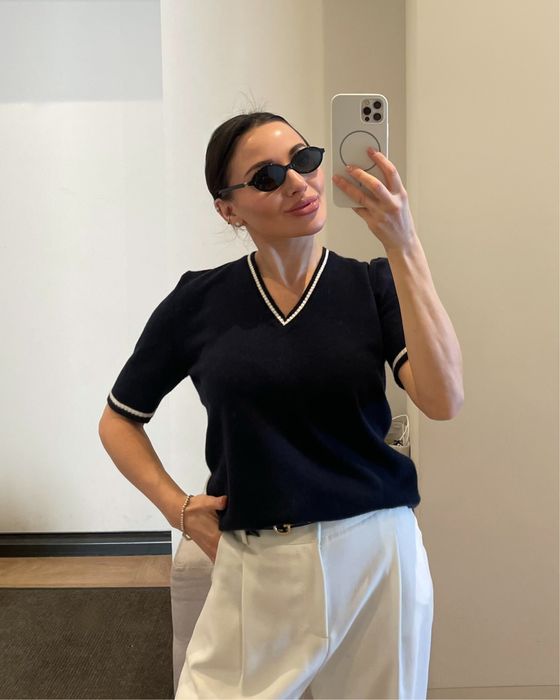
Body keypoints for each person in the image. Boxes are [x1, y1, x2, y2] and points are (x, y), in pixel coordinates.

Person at [98, 110, 464, 699]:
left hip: (375, 555)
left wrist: (405, 245)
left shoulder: (373, 284)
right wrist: (178, 507)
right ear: (228, 209)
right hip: (257, 561)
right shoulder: (197, 302)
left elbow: (443, 399)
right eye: (267, 177)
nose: (297, 181)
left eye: (304, 160)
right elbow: (119, 421)